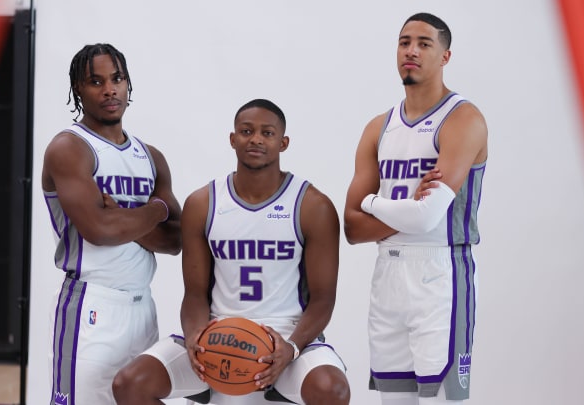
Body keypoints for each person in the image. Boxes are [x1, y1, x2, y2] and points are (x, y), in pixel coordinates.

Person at [112, 99, 350, 405]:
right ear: (233, 138)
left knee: (333, 390)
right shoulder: (203, 203)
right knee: (130, 384)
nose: (256, 139)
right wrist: (196, 336)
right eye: (247, 131)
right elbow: (195, 294)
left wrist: (290, 348)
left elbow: (323, 299)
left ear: (283, 143)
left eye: (267, 133)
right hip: (218, 333)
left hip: (286, 337)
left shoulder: (312, 206)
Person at [343, 13, 488, 405]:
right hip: (387, 274)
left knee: (442, 401)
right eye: (404, 42)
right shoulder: (379, 127)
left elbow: (426, 219)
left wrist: (373, 203)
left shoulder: (462, 118)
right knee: (394, 401)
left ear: (445, 56)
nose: (411, 50)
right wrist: (403, 207)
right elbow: (352, 228)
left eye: (424, 43)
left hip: (440, 274)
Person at [41, 43, 182, 405]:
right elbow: (99, 231)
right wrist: (155, 210)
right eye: (96, 81)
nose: (109, 89)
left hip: (142, 306)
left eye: (117, 78)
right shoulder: (70, 148)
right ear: (78, 90)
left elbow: (175, 241)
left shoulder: (151, 157)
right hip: (92, 305)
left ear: (128, 84)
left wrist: (122, 215)